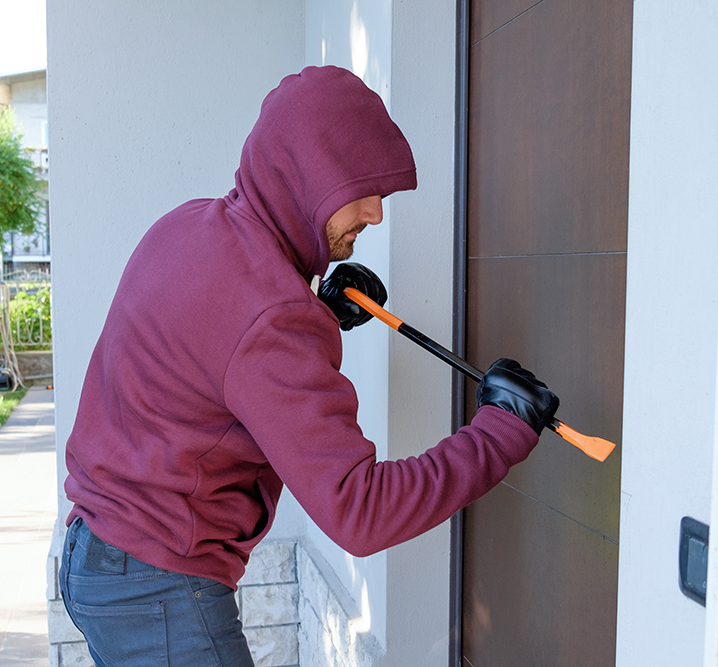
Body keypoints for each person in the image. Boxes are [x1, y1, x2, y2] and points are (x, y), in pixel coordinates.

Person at [59, 65, 558, 667]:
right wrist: (501, 432)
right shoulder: (272, 317)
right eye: (359, 189)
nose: (376, 213)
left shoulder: (190, 225)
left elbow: (215, 358)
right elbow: (360, 511)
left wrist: (312, 304)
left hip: (97, 558)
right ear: (304, 176)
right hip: (159, 588)